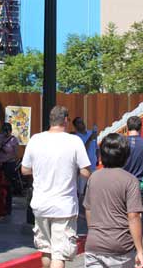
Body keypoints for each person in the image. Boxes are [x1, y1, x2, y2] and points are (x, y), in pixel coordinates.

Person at [21, 106, 92, 268]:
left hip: (40, 204)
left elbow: (25, 169)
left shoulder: (35, 139)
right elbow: (86, 171)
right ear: (66, 120)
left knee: (46, 250)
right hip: (64, 206)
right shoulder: (74, 141)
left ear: (50, 120)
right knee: (59, 254)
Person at [84, 133, 143, 268]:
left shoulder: (93, 178)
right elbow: (133, 216)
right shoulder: (130, 181)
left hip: (94, 245)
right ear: (125, 156)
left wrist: (94, 232)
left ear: (102, 155)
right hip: (120, 246)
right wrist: (140, 250)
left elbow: (88, 209)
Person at [122, 116, 143, 214]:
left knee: (122, 217)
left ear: (127, 127)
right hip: (139, 186)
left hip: (121, 186)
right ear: (140, 127)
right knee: (137, 218)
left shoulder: (121, 143)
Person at [0, 122, 19, 216]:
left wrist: (6, 159)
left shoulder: (14, 140)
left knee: (8, 186)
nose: (6, 133)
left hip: (9, 164)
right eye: (4, 131)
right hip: (0, 164)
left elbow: (15, 154)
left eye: (8, 131)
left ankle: (7, 208)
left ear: (10, 131)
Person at [72, 117, 99, 198]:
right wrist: (90, 139)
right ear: (76, 126)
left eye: (82, 122)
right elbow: (82, 150)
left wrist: (98, 156)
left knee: (94, 190)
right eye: (79, 123)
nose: (82, 124)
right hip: (83, 168)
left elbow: (96, 147)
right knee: (83, 191)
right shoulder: (76, 137)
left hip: (93, 166)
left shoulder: (91, 133)